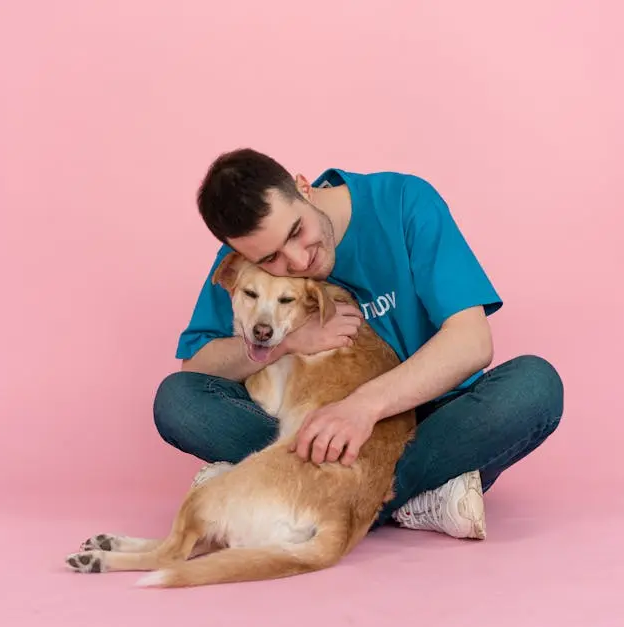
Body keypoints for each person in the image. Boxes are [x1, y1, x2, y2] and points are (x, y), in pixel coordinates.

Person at [152, 148, 564, 539]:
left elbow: (471, 341)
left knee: (534, 386)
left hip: (433, 422)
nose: (297, 261)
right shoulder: (247, 252)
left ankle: (286, 494)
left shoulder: (404, 201)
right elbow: (198, 367)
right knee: (177, 400)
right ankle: (419, 498)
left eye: (297, 231)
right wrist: (289, 342)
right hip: (311, 429)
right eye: (270, 260)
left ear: (303, 187)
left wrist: (363, 407)